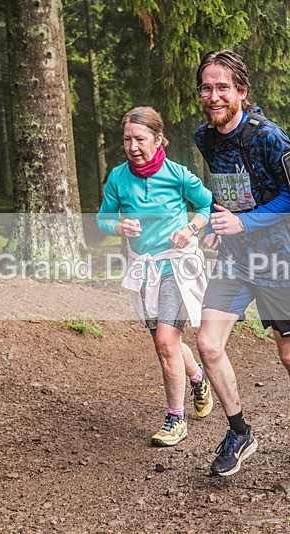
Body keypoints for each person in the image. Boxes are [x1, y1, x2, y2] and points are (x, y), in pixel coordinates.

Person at [193, 50, 290, 477]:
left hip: (277, 258)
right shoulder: (205, 138)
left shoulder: (271, 137)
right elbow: (223, 187)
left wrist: (242, 222)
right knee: (209, 345)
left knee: (288, 354)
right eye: (207, 88)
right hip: (233, 259)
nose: (214, 96)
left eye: (223, 88)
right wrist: (217, 220)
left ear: (242, 92)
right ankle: (239, 431)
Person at [96, 106, 214, 447]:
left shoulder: (177, 175)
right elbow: (102, 218)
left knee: (165, 341)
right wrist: (117, 225)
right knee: (167, 344)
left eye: (140, 139)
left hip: (176, 265)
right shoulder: (118, 177)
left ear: (159, 139)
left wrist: (191, 228)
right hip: (142, 268)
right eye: (127, 139)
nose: (133, 146)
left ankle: (175, 419)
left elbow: (210, 205)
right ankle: (198, 378)